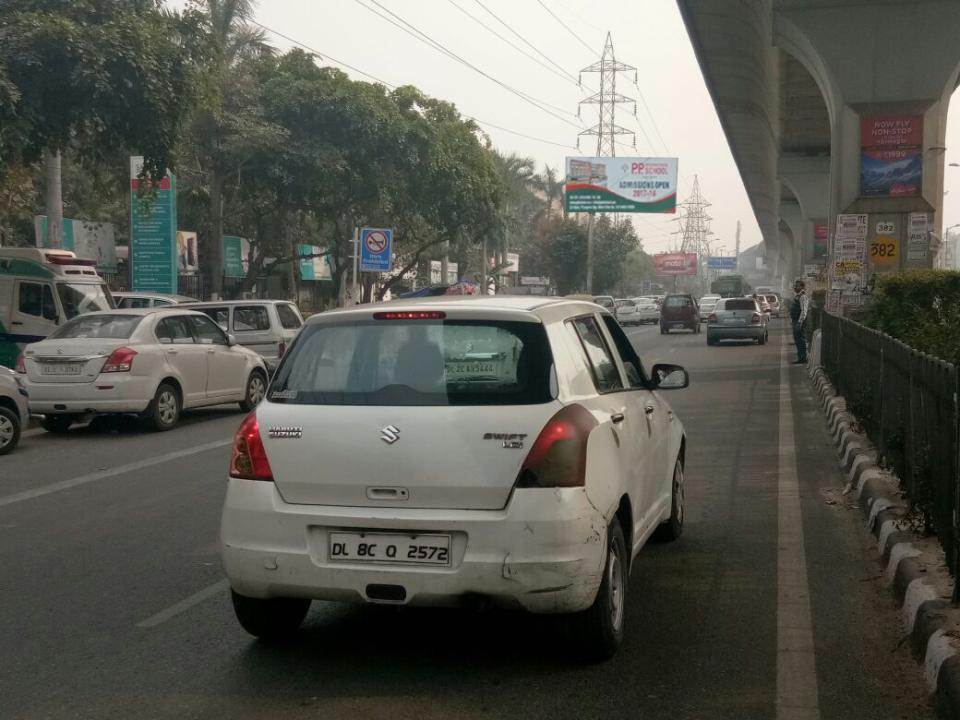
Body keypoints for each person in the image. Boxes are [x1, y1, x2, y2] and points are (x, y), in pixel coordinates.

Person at [790, 279, 810, 364]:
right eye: (795, 286)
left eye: (797, 286)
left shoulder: (803, 296)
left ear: (802, 286)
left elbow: (804, 311)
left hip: (799, 322)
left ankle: (803, 358)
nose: (795, 287)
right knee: (797, 340)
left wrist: (799, 322)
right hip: (796, 321)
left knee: (801, 339)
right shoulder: (798, 296)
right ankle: (801, 357)